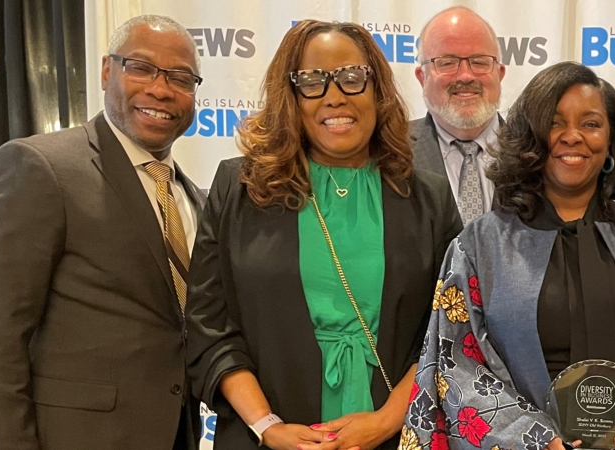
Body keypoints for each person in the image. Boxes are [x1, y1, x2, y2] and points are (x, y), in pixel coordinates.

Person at [185, 20, 461, 450]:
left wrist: (386, 421)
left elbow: (447, 330)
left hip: (398, 437)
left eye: (352, 78)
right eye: (312, 81)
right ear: (290, 97)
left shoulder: (429, 197)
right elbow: (210, 325)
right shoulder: (239, 187)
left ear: (378, 89)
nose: (335, 95)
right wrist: (267, 426)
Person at [400, 62, 615, 450]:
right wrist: (535, 440)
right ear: (530, 137)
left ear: (610, 142)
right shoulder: (480, 245)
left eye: (591, 124)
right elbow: (458, 364)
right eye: (555, 123)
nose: (573, 136)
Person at [0, 14, 204, 450]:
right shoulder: (38, 168)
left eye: (180, 78)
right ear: (108, 70)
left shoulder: (190, 196)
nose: (161, 89)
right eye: (141, 67)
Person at [411, 6, 506, 224]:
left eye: (480, 62)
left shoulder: (537, 152)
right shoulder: (389, 154)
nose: (465, 75)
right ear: (422, 77)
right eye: (447, 63)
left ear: (499, 74)